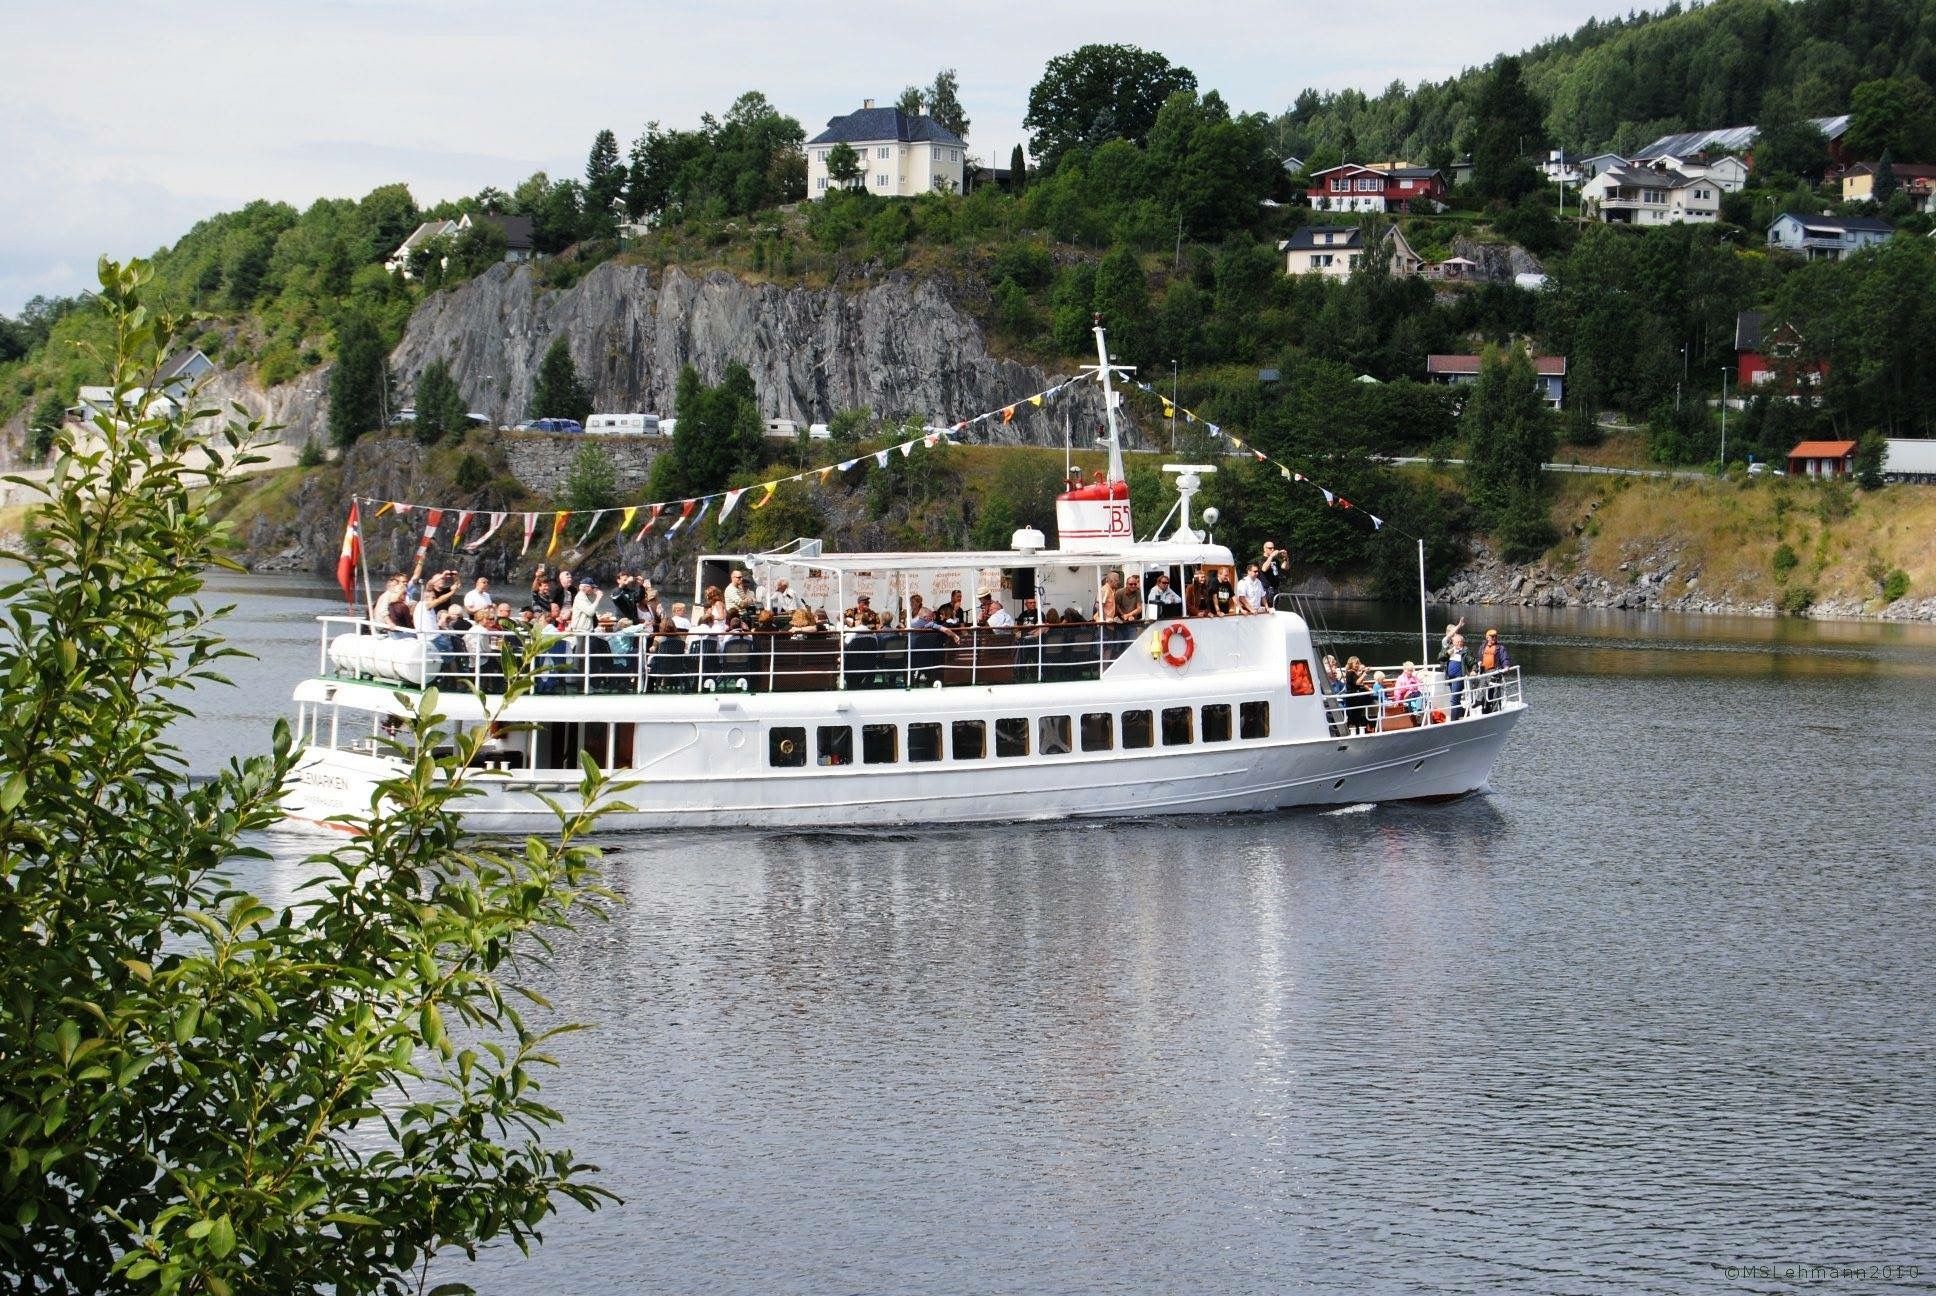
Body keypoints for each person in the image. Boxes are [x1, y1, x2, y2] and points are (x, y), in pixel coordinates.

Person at [1477, 628, 1513, 713]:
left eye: (1495, 636)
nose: (1494, 638)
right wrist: (1478, 662)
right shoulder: (1483, 647)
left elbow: (1505, 659)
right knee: (1482, 691)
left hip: (1495, 672)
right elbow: (1479, 657)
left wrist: (1506, 666)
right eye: (1492, 636)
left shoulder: (1500, 648)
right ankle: (1483, 708)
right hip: (1484, 672)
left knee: (1495, 692)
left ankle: (1495, 710)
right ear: (1487, 637)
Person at [1437, 631, 1470, 720]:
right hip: (1450, 677)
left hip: (1458, 677)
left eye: (1461, 642)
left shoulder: (1465, 651)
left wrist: (1474, 670)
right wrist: (1448, 653)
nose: (1459, 644)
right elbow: (1440, 658)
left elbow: (1472, 661)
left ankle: (1453, 720)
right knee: (1456, 698)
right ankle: (1461, 714)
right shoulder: (1450, 649)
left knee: (1454, 699)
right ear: (1453, 642)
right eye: (1457, 642)